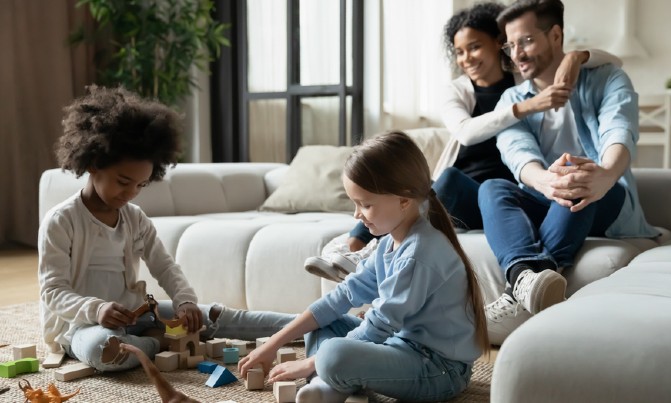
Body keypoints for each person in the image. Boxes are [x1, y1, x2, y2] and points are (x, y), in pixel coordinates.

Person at [304, 1, 621, 284]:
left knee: (485, 188)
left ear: (498, 43)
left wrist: (577, 56)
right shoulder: (459, 91)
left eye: (475, 47)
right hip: (464, 194)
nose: (467, 58)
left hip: (507, 198)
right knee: (435, 183)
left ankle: (365, 252)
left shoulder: (523, 81)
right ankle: (356, 247)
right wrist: (527, 107)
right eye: (459, 51)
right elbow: (466, 132)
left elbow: (611, 61)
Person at [38, 86, 295, 372]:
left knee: (211, 315)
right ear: (93, 164)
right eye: (123, 182)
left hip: (139, 314)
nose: (131, 193)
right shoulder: (60, 221)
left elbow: (165, 267)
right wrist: (96, 309)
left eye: (140, 185)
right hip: (82, 327)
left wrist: (185, 302)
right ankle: (159, 342)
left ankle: (305, 324)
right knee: (105, 350)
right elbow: (53, 291)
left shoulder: (135, 218)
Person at [238, 131, 489, 402]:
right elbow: (341, 296)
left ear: (404, 201)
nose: (357, 214)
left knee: (332, 354)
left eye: (365, 205)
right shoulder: (387, 244)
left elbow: (379, 325)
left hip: (440, 369)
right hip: (400, 346)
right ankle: (327, 385)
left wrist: (309, 363)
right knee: (322, 325)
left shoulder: (420, 253)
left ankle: (326, 380)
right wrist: (272, 344)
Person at [479, 0, 658, 326]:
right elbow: (517, 152)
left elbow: (620, 130)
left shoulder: (607, 78)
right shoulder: (512, 100)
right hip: (545, 195)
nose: (517, 54)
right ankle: (525, 278)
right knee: (492, 188)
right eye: (510, 45)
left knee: (578, 176)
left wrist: (606, 173)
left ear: (555, 35)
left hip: (604, 194)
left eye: (526, 41)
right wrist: (546, 181)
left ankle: (520, 286)